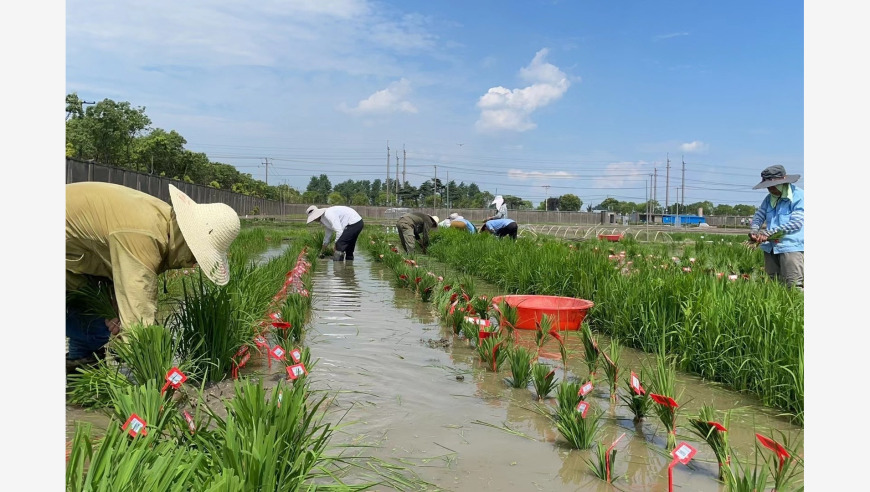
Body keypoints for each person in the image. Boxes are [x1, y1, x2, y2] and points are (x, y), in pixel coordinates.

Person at [66, 182, 241, 372]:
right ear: (188, 240)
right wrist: (150, 375)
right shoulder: (144, 234)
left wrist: (114, 311)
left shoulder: (160, 220)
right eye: (196, 256)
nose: (193, 264)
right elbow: (137, 318)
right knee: (96, 328)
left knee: (97, 324)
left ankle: (81, 378)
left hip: (76, 262)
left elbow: (114, 272)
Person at [748, 165, 804, 289]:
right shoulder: (769, 199)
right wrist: (754, 230)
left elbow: (796, 223)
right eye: (768, 187)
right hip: (770, 247)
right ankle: (777, 308)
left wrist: (768, 233)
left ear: (783, 182)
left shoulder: (798, 196)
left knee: (793, 284)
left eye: (773, 186)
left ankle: (798, 308)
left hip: (790, 247)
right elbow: (759, 215)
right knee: (774, 284)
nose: (771, 189)